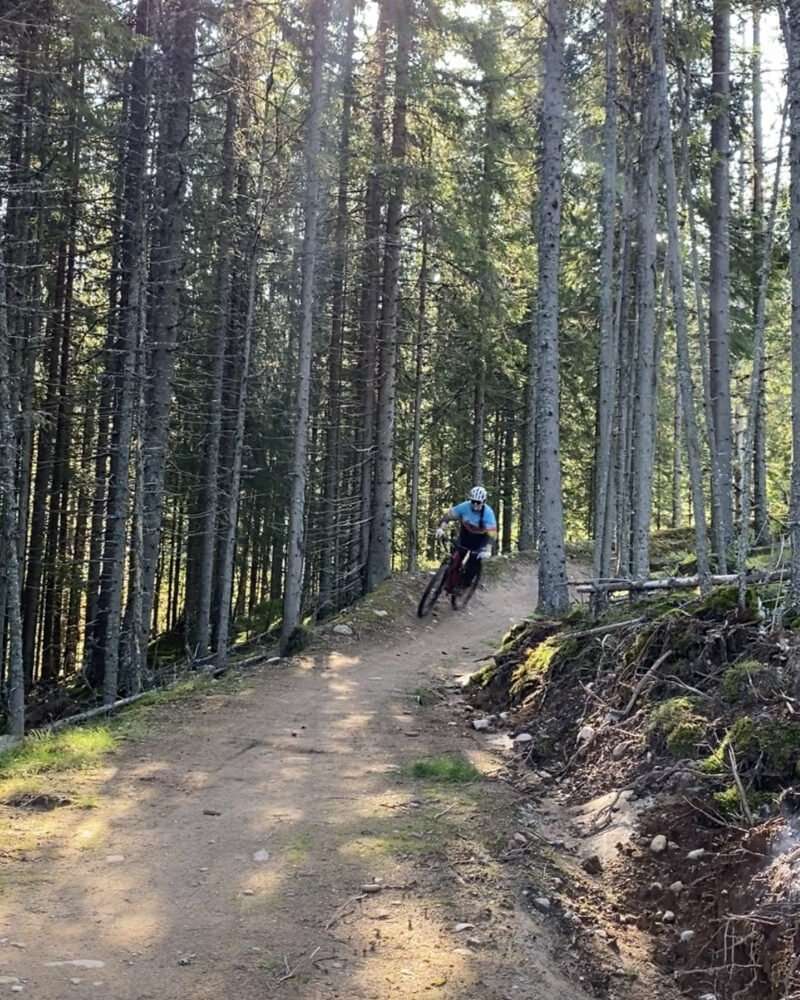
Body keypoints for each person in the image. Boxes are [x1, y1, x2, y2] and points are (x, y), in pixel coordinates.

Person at [435, 486, 498, 588]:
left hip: (481, 539)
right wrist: (441, 528)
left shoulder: (488, 513)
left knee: (474, 561)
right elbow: (448, 516)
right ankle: (450, 580)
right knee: (456, 556)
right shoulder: (464, 507)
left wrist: (488, 549)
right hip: (466, 534)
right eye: (473, 501)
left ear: (484, 502)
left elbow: (492, 533)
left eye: (478, 502)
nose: (475, 505)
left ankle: (465, 584)